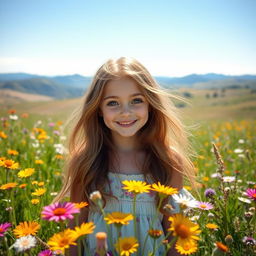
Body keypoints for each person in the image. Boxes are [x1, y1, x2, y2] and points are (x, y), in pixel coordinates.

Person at [55, 57, 196, 255]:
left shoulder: (167, 161)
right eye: (113, 103)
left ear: (150, 104)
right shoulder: (86, 160)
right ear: (98, 110)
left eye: (136, 100)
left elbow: (176, 236)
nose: (126, 112)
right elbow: (74, 230)